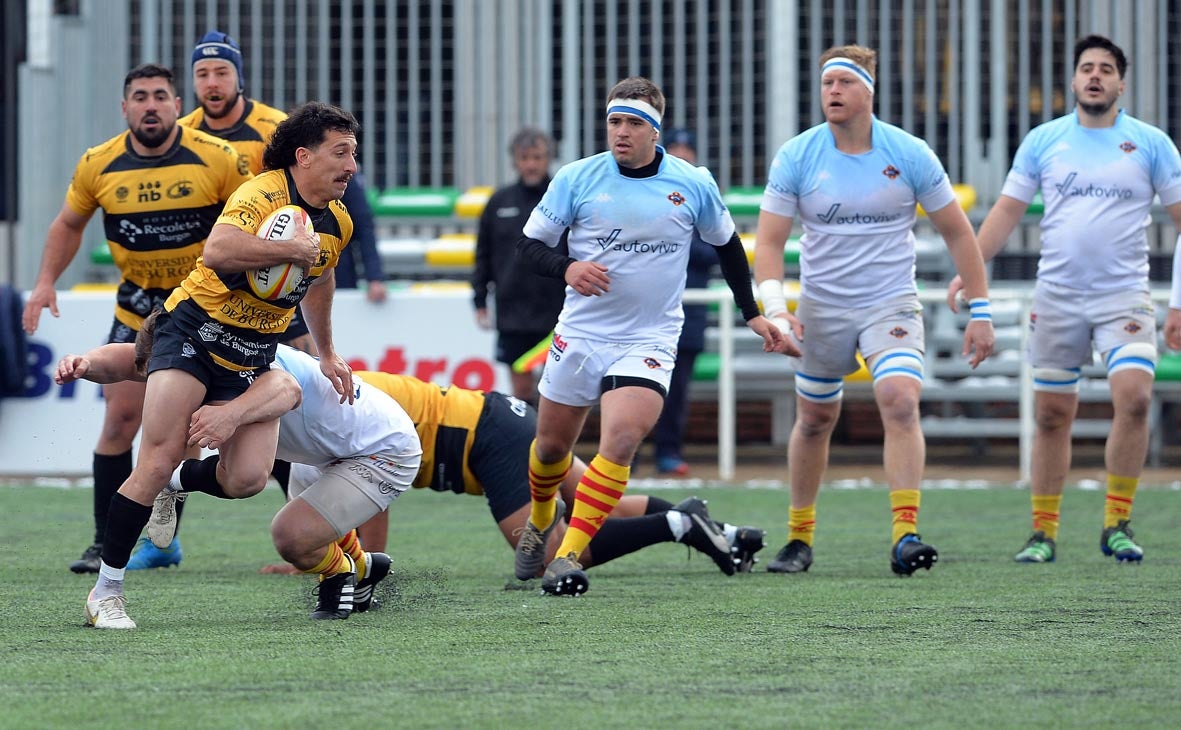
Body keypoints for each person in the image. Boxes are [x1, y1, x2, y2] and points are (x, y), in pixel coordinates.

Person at [76, 101, 360, 629]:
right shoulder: (264, 191)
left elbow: (321, 280)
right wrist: (292, 251)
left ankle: (175, 483)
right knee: (156, 456)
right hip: (192, 332)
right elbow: (219, 250)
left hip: (253, 354)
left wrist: (326, 352)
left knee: (247, 479)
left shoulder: (337, 221)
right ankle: (106, 592)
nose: (352, 166)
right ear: (304, 156)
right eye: (341, 153)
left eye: (354, 154)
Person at [514, 76, 784, 596]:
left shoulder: (693, 183)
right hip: (582, 331)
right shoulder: (577, 178)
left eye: (634, 123)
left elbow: (729, 247)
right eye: (614, 121)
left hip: (650, 337)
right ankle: (543, 517)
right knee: (550, 449)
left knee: (620, 438)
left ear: (654, 131)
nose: (621, 132)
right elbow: (529, 247)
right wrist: (567, 268)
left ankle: (566, 557)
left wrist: (752, 313)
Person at [753, 45, 995, 577]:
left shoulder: (908, 152)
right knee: (815, 418)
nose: (833, 92)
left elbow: (957, 231)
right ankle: (799, 538)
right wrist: (777, 308)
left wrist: (982, 310)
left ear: (869, 91)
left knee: (900, 400)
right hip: (821, 306)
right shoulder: (798, 155)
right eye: (826, 83)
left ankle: (906, 535)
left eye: (844, 82)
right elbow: (768, 244)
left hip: (891, 301)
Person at [951, 35, 1181, 565]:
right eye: (1086, 68)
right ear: (1073, 81)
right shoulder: (1043, 141)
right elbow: (1006, 212)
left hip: (1124, 297)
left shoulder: (1151, 143)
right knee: (1053, 414)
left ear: (1121, 83)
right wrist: (971, 271)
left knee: (1136, 398)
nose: (1095, 76)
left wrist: (1178, 305)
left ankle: (1117, 523)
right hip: (1057, 297)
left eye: (1105, 69)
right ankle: (1043, 532)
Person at [19, 63, 252, 576]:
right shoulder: (98, 163)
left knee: (184, 436)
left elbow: (254, 220)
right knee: (121, 421)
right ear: (124, 108)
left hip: (201, 313)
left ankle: (163, 540)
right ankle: (105, 541)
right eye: (140, 97)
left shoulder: (218, 158)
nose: (151, 105)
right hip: (136, 310)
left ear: (176, 105)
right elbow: (68, 224)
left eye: (161, 96)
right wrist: (43, 283)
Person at [55, 320, 417, 620]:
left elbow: (286, 389)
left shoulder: (243, 358)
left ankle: (341, 571)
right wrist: (83, 362)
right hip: (327, 453)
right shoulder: (192, 351)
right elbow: (128, 360)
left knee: (291, 537)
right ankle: (363, 566)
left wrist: (229, 414)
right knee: (262, 495)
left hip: (381, 451)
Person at [286, 365, 767, 578]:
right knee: (607, 506)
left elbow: (373, 504)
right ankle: (719, 530)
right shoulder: (322, 390)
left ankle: (676, 524)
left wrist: (358, 565)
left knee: (543, 559)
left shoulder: (326, 409)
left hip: (488, 440)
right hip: (499, 419)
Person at [472, 127, 567, 404]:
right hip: (513, 312)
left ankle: (555, 447)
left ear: (548, 158)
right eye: (525, 157)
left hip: (558, 310)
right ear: (515, 160)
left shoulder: (563, 198)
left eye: (537, 157)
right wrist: (479, 300)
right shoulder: (499, 201)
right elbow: (483, 255)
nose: (531, 164)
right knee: (522, 393)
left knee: (559, 392)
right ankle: (527, 447)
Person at [648, 128, 717, 476]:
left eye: (687, 149)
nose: (681, 154)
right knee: (632, 384)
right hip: (646, 309)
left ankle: (668, 451)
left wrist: (675, 239)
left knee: (676, 391)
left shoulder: (703, 194)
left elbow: (715, 250)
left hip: (688, 312)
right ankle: (624, 454)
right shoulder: (644, 191)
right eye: (674, 147)